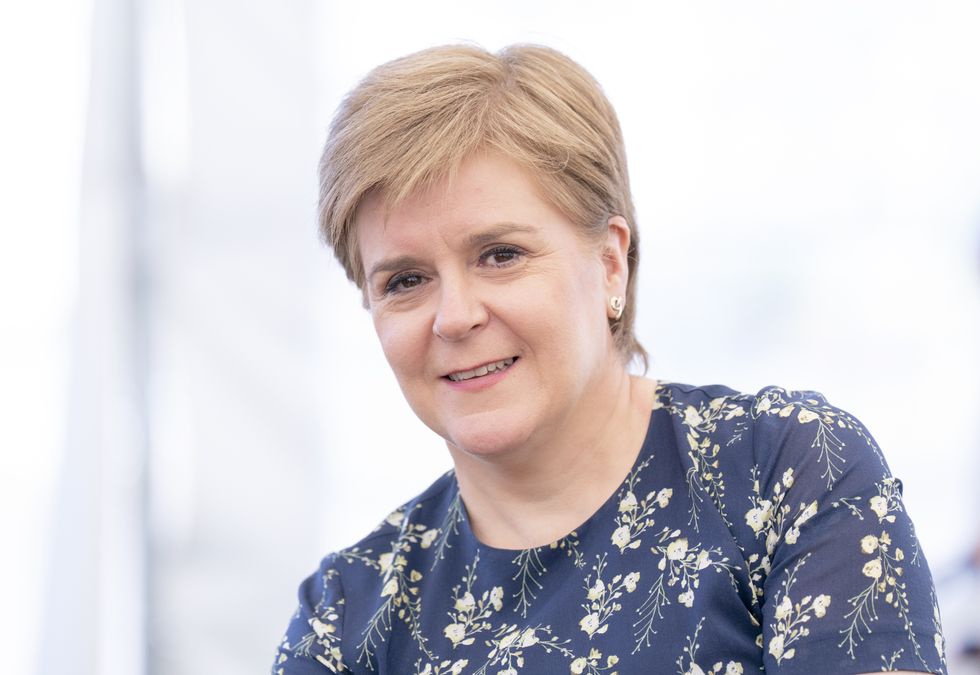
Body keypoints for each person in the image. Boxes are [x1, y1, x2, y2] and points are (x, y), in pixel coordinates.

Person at [272, 44, 947, 675]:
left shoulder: (788, 472)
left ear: (610, 263)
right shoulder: (345, 619)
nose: (455, 316)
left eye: (500, 255)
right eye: (405, 280)